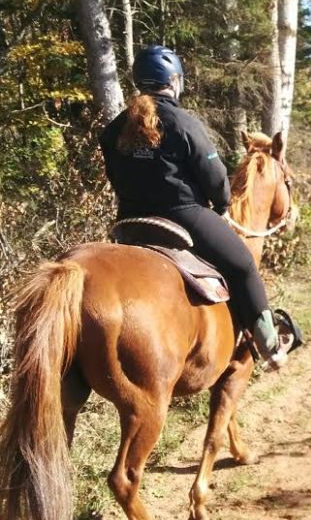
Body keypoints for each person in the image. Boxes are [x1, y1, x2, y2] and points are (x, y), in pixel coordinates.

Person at [99, 45, 295, 368]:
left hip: (128, 221)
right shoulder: (183, 122)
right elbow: (216, 178)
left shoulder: (114, 128)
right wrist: (220, 204)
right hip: (184, 216)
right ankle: (269, 345)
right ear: (174, 82)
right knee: (244, 264)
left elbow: (114, 175)